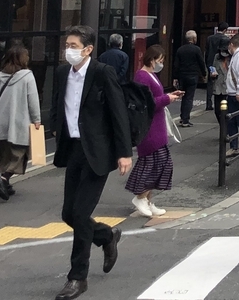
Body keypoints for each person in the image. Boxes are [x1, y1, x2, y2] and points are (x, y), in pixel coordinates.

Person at [50, 25, 132, 300]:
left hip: (97, 151)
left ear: (88, 49)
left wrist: (124, 152)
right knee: (68, 214)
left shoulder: (101, 73)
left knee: (81, 214)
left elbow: (118, 111)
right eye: (67, 45)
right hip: (72, 148)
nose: (68, 50)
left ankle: (77, 278)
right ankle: (107, 236)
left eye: (74, 45)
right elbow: (59, 106)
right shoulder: (62, 73)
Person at [126, 45, 184, 218]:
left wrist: (169, 96)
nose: (161, 64)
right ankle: (141, 198)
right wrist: (168, 98)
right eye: (159, 60)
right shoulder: (142, 76)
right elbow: (146, 102)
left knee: (159, 163)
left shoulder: (149, 75)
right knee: (154, 164)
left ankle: (148, 201)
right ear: (151, 60)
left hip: (155, 125)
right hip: (149, 127)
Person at [0, 44, 41, 201]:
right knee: (19, 153)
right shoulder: (27, 76)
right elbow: (33, 100)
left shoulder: (0, 75)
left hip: (1, 121)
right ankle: (3, 179)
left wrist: (2, 107)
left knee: (5, 153)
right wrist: (36, 119)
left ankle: (6, 184)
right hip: (19, 122)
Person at [172, 30, 205, 128]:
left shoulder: (180, 49)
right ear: (194, 39)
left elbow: (176, 64)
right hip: (192, 75)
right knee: (189, 98)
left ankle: (183, 117)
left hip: (182, 75)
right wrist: (203, 73)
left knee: (183, 96)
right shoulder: (197, 49)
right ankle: (186, 119)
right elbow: (201, 63)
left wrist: (175, 77)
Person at [205, 23, 230, 112]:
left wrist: (207, 62)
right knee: (221, 80)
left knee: (210, 82)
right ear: (225, 30)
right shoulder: (225, 39)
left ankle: (208, 103)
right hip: (221, 61)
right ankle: (223, 100)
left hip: (210, 61)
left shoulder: (210, 38)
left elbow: (207, 51)